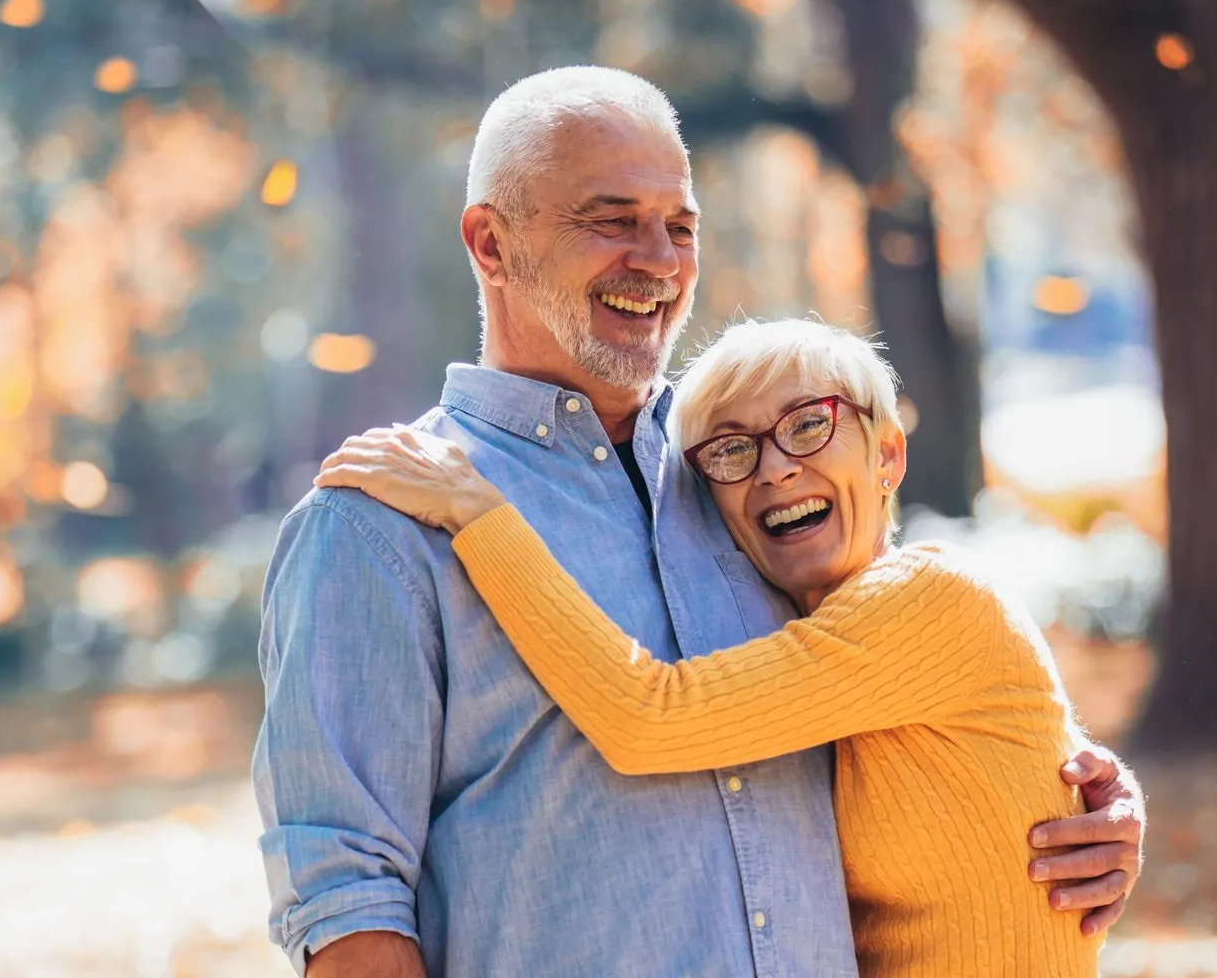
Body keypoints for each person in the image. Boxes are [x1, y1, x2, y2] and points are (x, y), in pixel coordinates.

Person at [253, 66, 1144, 978]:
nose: (659, 259)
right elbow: (347, 904)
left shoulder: (748, 481)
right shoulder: (380, 522)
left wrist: (1086, 796)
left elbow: (913, 693)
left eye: (680, 226)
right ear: (490, 242)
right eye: (611, 220)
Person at [317, 318, 1101, 976]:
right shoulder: (799, 643)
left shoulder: (931, 600)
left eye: (808, 424)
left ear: (887, 455)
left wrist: (478, 512)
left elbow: (648, 717)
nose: (775, 468)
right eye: (731, 450)